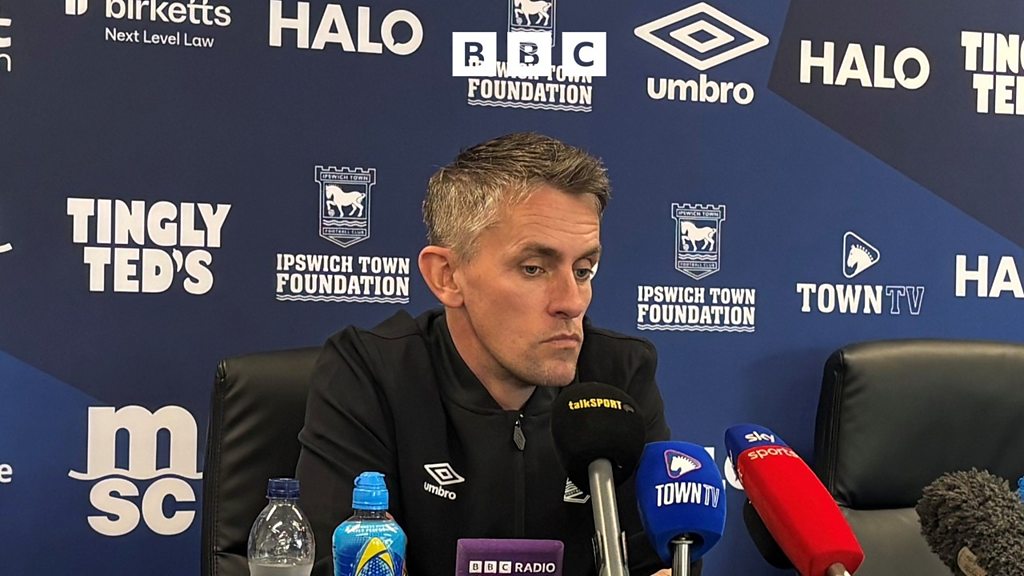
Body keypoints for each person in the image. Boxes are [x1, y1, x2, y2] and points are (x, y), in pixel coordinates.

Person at [296, 132, 685, 576]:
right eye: (534, 268)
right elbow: (336, 563)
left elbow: (657, 561)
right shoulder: (371, 373)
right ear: (447, 277)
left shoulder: (620, 374)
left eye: (583, 270)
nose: (572, 301)